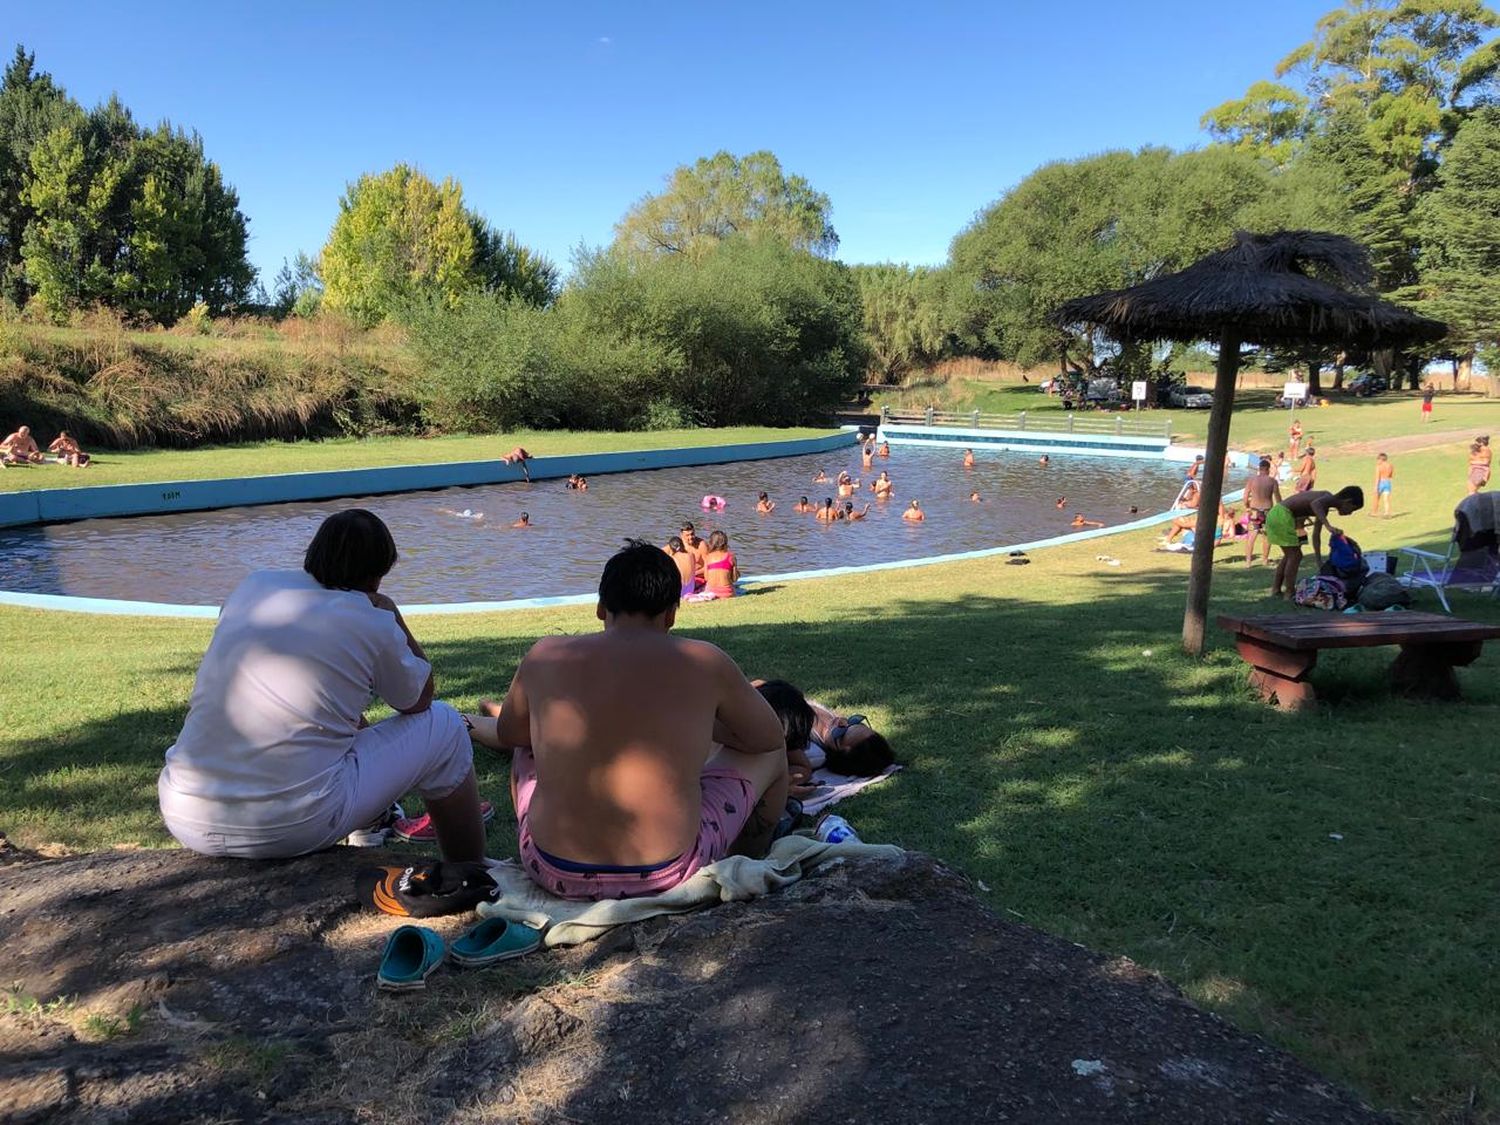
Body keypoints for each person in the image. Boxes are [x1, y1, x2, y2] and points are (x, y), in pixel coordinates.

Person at [157, 509, 487, 861]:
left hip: (185, 812)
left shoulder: (255, 585)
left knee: (330, 705)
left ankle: (370, 823)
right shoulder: (372, 619)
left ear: (314, 553)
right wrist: (390, 612)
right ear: (378, 574)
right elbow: (418, 700)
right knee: (446, 724)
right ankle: (470, 869)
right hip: (291, 825)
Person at [491, 542, 788, 901]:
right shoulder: (704, 661)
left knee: (526, 748)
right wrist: (696, 721)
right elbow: (767, 739)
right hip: (669, 872)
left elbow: (510, 733)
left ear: (601, 608)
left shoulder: (544, 654)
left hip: (551, 869)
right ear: (671, 615)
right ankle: (744, 853)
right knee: (773, 756)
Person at [1267, 486, 1365, 598]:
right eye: (1352, 509)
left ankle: (1276, 589)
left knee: (1289, 555)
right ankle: (1289, 592)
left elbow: (1316, 535)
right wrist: (1328, 525)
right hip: (1281, 515)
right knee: (1295, 556)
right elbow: (1315, 504)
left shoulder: (1324, 508)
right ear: (1347, 502)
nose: (1350, 513)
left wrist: (1318, 561)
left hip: (1278, 515)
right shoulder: (1326, 497)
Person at [1244, 457, 1282, 564]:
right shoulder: (1272, 481)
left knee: (1252, 536)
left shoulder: (1251, 480)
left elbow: (1245, 497)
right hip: (1267, 511)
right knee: (1267, 536)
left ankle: (1248, 562)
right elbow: (1278, 499)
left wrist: (1247, 507)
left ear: (1259, 468)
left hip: (1255, 511)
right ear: (1268, 469)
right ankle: (1265, 560)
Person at [697, 530, 738, 599]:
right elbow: (734, 578)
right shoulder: (731, 557)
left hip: (711, 593)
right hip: (727, 593)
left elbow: (706, 578)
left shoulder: (708, 557)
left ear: (711, 543)